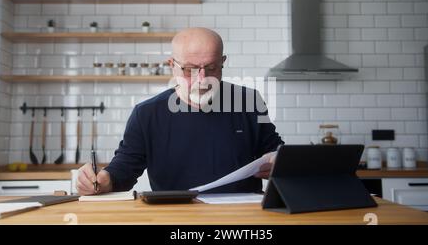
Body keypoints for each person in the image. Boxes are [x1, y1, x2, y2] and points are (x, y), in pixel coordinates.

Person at [77, 28, 283, 195]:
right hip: (174, 215)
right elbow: (125, 168)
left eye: (212, 68)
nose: (202, 80)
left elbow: (277, 151)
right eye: (189, 69)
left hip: (242, 217)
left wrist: (279, 164)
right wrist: (104, 180)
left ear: (223, 62)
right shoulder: (147, 114)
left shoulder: (248, 101)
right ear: (171, 65)